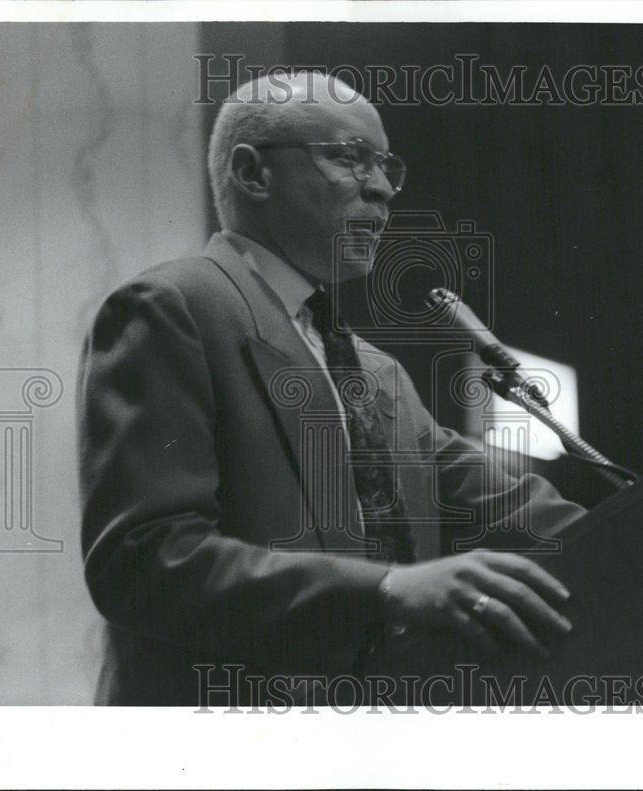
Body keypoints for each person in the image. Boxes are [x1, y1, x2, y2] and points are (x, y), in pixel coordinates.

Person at [77, 72, 587, 706]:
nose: (380, 188)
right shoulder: (171, 308)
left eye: (386, 167)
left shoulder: (376, 371)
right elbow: (144, 564)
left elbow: (516, 508)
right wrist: (386, 589)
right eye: (349, 158)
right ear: (253, 173)